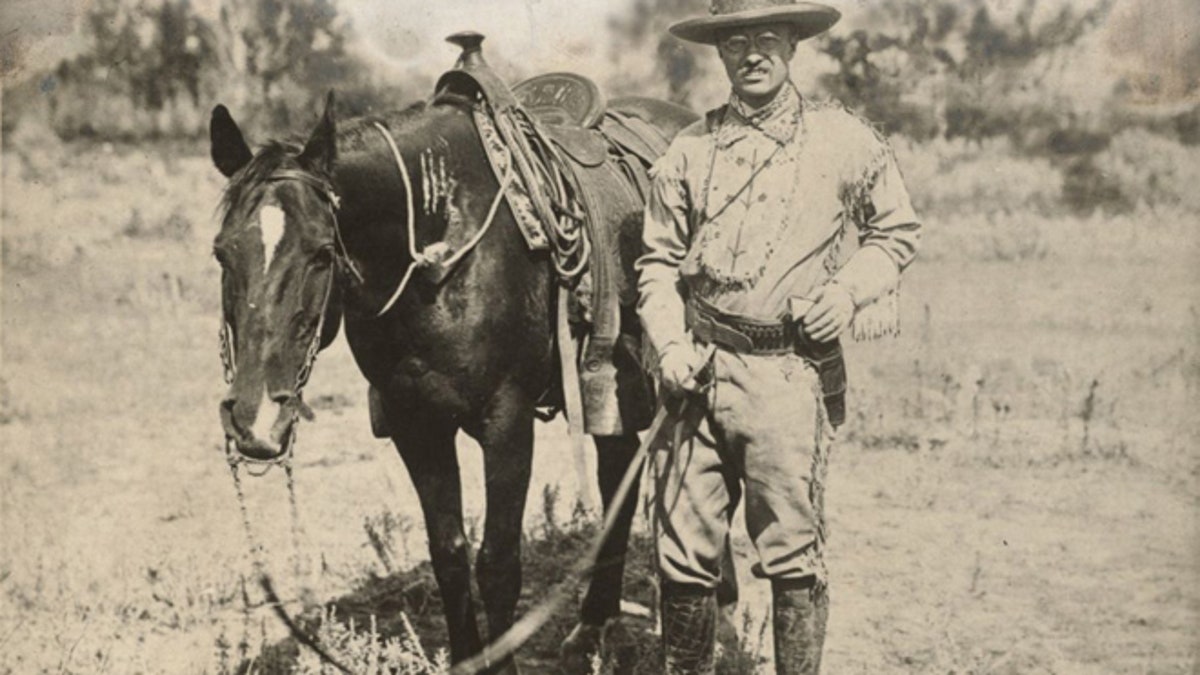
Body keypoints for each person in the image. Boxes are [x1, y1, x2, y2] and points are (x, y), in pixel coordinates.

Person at [636, 1, 923, 672]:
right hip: (697, 371)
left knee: (792, 549)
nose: (752, 54)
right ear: (720, 54)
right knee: (682, 549)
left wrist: (848, 291)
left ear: (793, 46)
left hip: (787, 375)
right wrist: (671, 346)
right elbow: (655, 262)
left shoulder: (843, 141)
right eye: (736, 42)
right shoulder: (690, 149)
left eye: (767, 38)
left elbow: (897, 231)